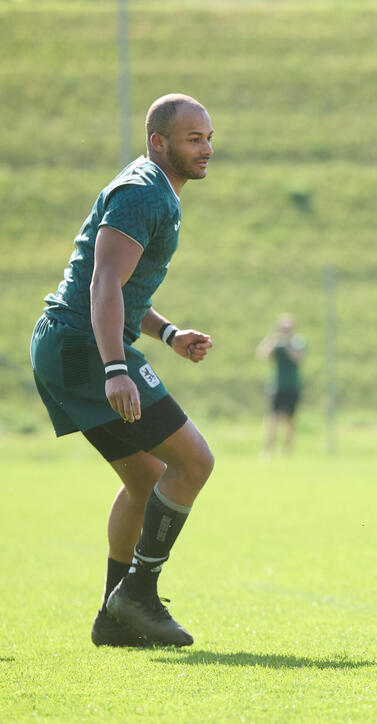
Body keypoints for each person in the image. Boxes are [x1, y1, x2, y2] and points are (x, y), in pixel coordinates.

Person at [30, 94, 216, 647]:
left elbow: (123, 286)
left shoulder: (157, 190)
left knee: (145, 479)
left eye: (208, 138)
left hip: (72, 344)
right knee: (193, 461)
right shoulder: (142, 193)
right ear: (158, 142)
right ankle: (136, 595)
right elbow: (103, 282)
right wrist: (116, 367)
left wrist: (168, 334)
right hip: (84, 348)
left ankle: (115, 620)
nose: (206, 149)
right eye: (193, 139)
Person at [257, 313, 305, 457]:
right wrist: (273, 339)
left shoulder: (297, 342)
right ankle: (267, 451)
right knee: (272, 419)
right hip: (277, 386)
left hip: (292, 386)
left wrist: (288, 344)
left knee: (290, 420)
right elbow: (262, 354)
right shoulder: (276, 343)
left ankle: (287, 452)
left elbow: (298, 358)